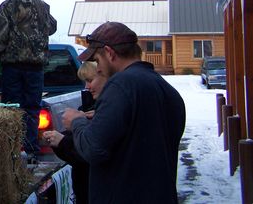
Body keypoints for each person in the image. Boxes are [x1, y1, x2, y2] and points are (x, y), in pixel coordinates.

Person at [62, 21, 186, 204]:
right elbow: (141, 140)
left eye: (97, 61)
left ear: (110, 53)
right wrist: (103, 118)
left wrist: (77, 122)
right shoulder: (167, 90)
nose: (99, 69)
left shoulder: (120, 86)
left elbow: (93, 149)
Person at [0, 0, 57, 159]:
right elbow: (52, 27)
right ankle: (31, 151)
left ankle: (13, 152)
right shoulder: (42, 7)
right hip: (36, 68)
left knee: (12, 110)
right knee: (32, 110)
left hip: (13, 67)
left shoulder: (8, 7)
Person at [42, 61, 107, 204]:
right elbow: (76, 153)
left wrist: (62, 141)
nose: (87, 87)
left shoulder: (108, 113)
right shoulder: (90, 108)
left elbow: (89, 152)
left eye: (90, 80)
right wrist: (59, 141)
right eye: (85, 82)